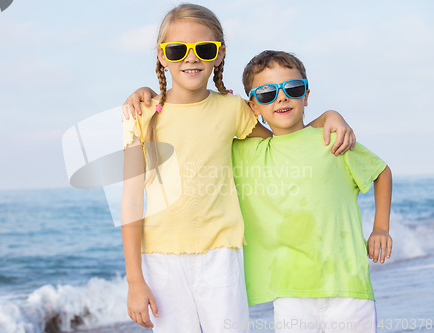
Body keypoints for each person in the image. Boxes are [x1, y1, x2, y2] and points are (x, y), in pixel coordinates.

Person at [121, 4, 355, 332]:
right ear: (162, 56)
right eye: (177, 50)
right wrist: (135, 280)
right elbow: (130, 203)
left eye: (204, 49)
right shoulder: (142, 115)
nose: (191, 58)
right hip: (160, 261)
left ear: (219, 54)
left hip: (221, 256)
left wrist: (329, 116)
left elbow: (283, 141)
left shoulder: (232, 109)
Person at [231, 50, 393, 332]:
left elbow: (380, 172)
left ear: (306, 95)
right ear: (253, 105)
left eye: (293, 88)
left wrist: (380, 228)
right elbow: (209, 118)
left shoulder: (332, 139)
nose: (281, 97)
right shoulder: (246, 152)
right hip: (289, 291)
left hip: (348, 287)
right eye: (267, 93)